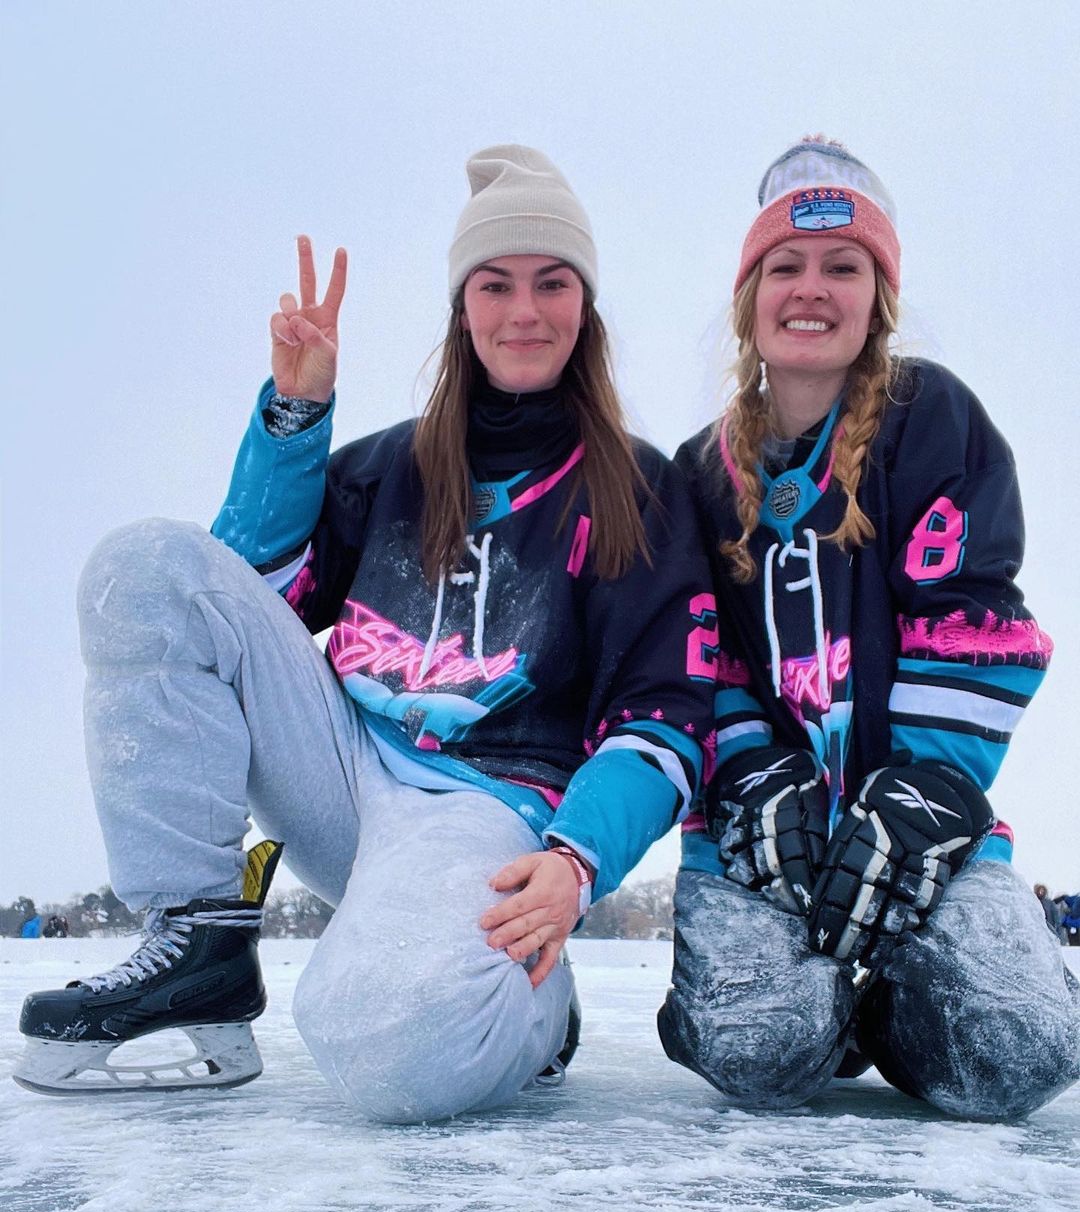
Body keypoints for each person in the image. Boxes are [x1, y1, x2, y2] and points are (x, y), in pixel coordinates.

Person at [16, 146, 715, 1120]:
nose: (524, 311)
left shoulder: (638, 494)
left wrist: (576, 860)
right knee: (145, 571)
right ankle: (201, 939)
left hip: (493, 819)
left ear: (584, 307)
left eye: (552, 284)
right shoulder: (388, 467)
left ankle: (533, 1002)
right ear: (461, 307)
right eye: (495, 283)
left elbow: (666, 718)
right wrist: (294, 418)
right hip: (342, 775)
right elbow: (236, 602)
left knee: (384, 1042)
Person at [657, 136, 1080, 1122]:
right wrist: (749, 774)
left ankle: (890, 1001)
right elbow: (686, 658)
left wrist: (926, 790)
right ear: (750, 295)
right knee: (759, 1054)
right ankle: (772, 1006)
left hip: (921, 842)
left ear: (877, 296)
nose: (813, 289)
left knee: (1018, 1057)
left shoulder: (933, 419)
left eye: (843, 266)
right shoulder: (695, 473)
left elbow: (976, 617)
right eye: (787, 267)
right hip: (754, 843)